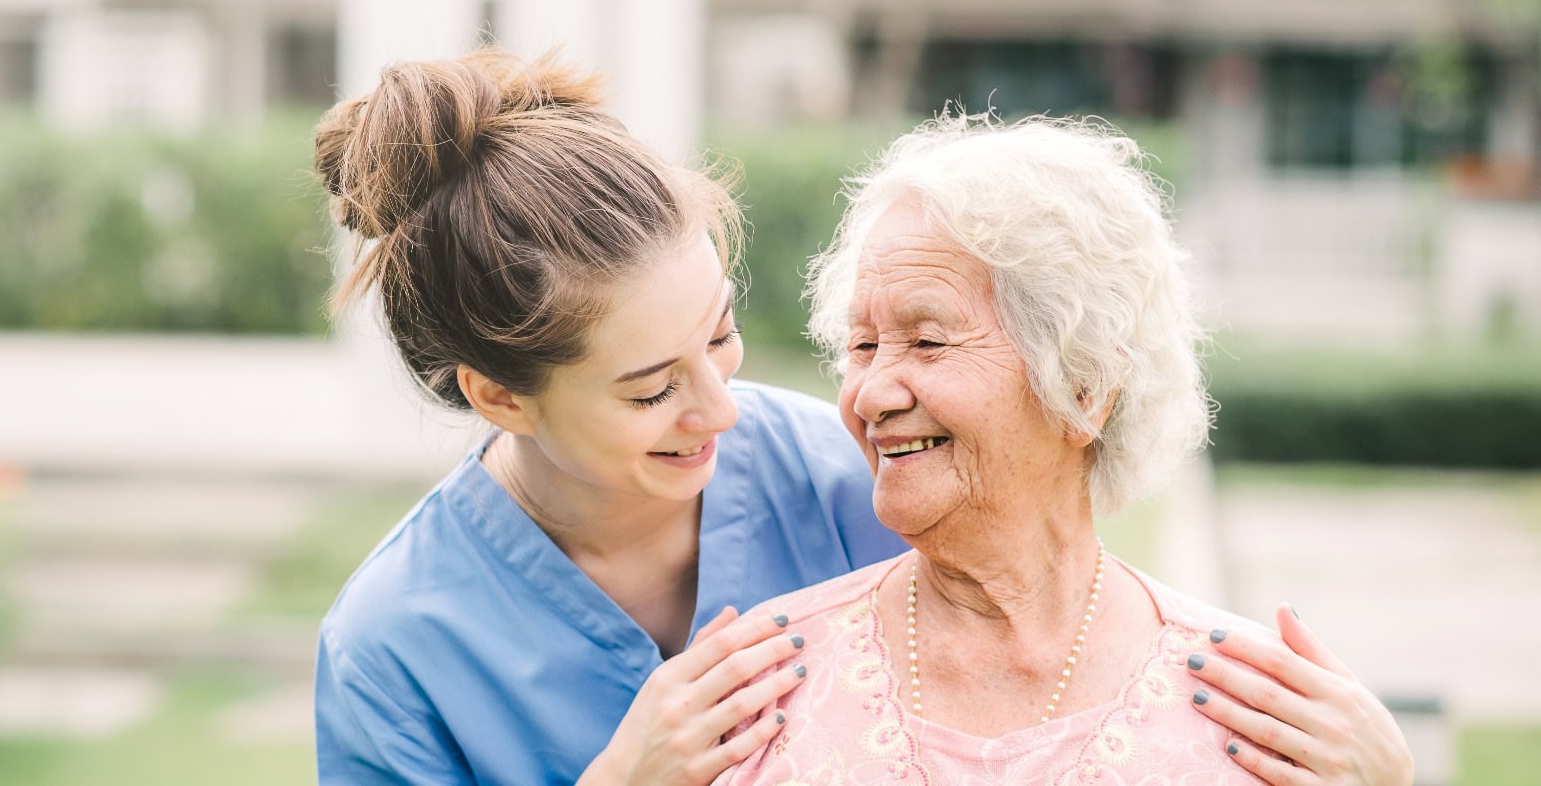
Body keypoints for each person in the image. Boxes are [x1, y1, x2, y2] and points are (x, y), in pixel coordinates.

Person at [712, 114, 1414, 785]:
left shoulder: (1256, 714)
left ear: (1084, 389)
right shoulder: (759, 691)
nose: (869, 395)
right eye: (862, 346)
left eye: (927, 341)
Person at [311, 50, 907, 785]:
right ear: (499, 397)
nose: (721, 410)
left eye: (720, 335)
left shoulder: (849, 482)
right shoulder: (390, 649)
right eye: (653, 391)